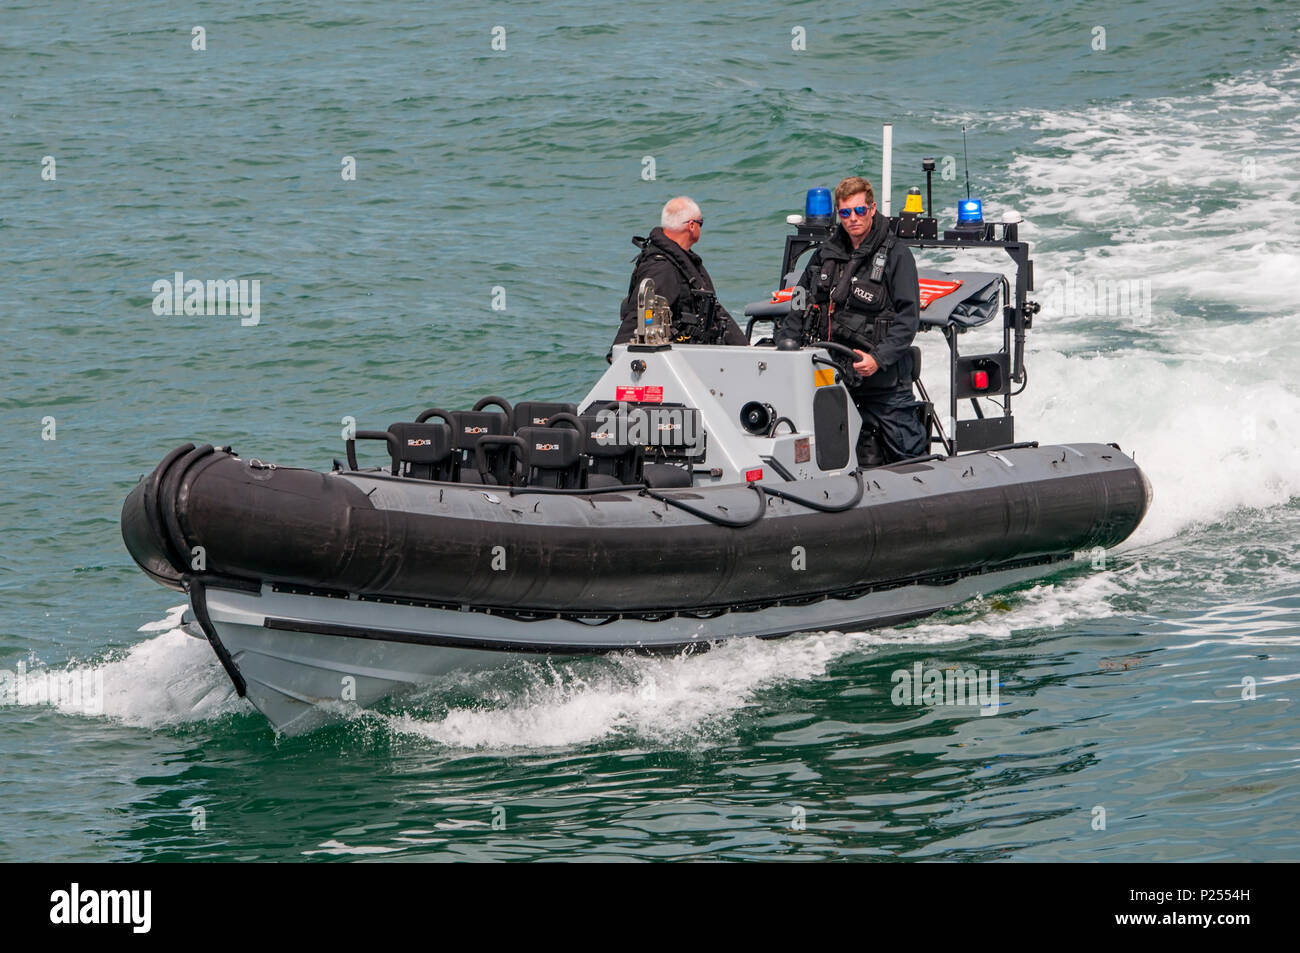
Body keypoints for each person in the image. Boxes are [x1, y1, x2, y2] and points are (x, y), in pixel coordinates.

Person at [776, 176, 927, 465]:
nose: (853, 219)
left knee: (910, 456)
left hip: (882, 382)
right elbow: (799, 303)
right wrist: (786, 344)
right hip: (831, 377)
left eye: (859, 211)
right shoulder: (824, 255)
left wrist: (878, 359)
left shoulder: (897, 256)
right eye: (845, 213)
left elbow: (908, 320)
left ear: (872, 209)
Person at [612, 196, 747, 350]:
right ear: (691, 225)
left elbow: (715, 310)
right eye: (700, 224)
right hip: (678, 356)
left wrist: (745, 347)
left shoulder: (683, 261)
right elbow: (639, 313)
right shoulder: (663, 268)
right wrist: (617, 353)